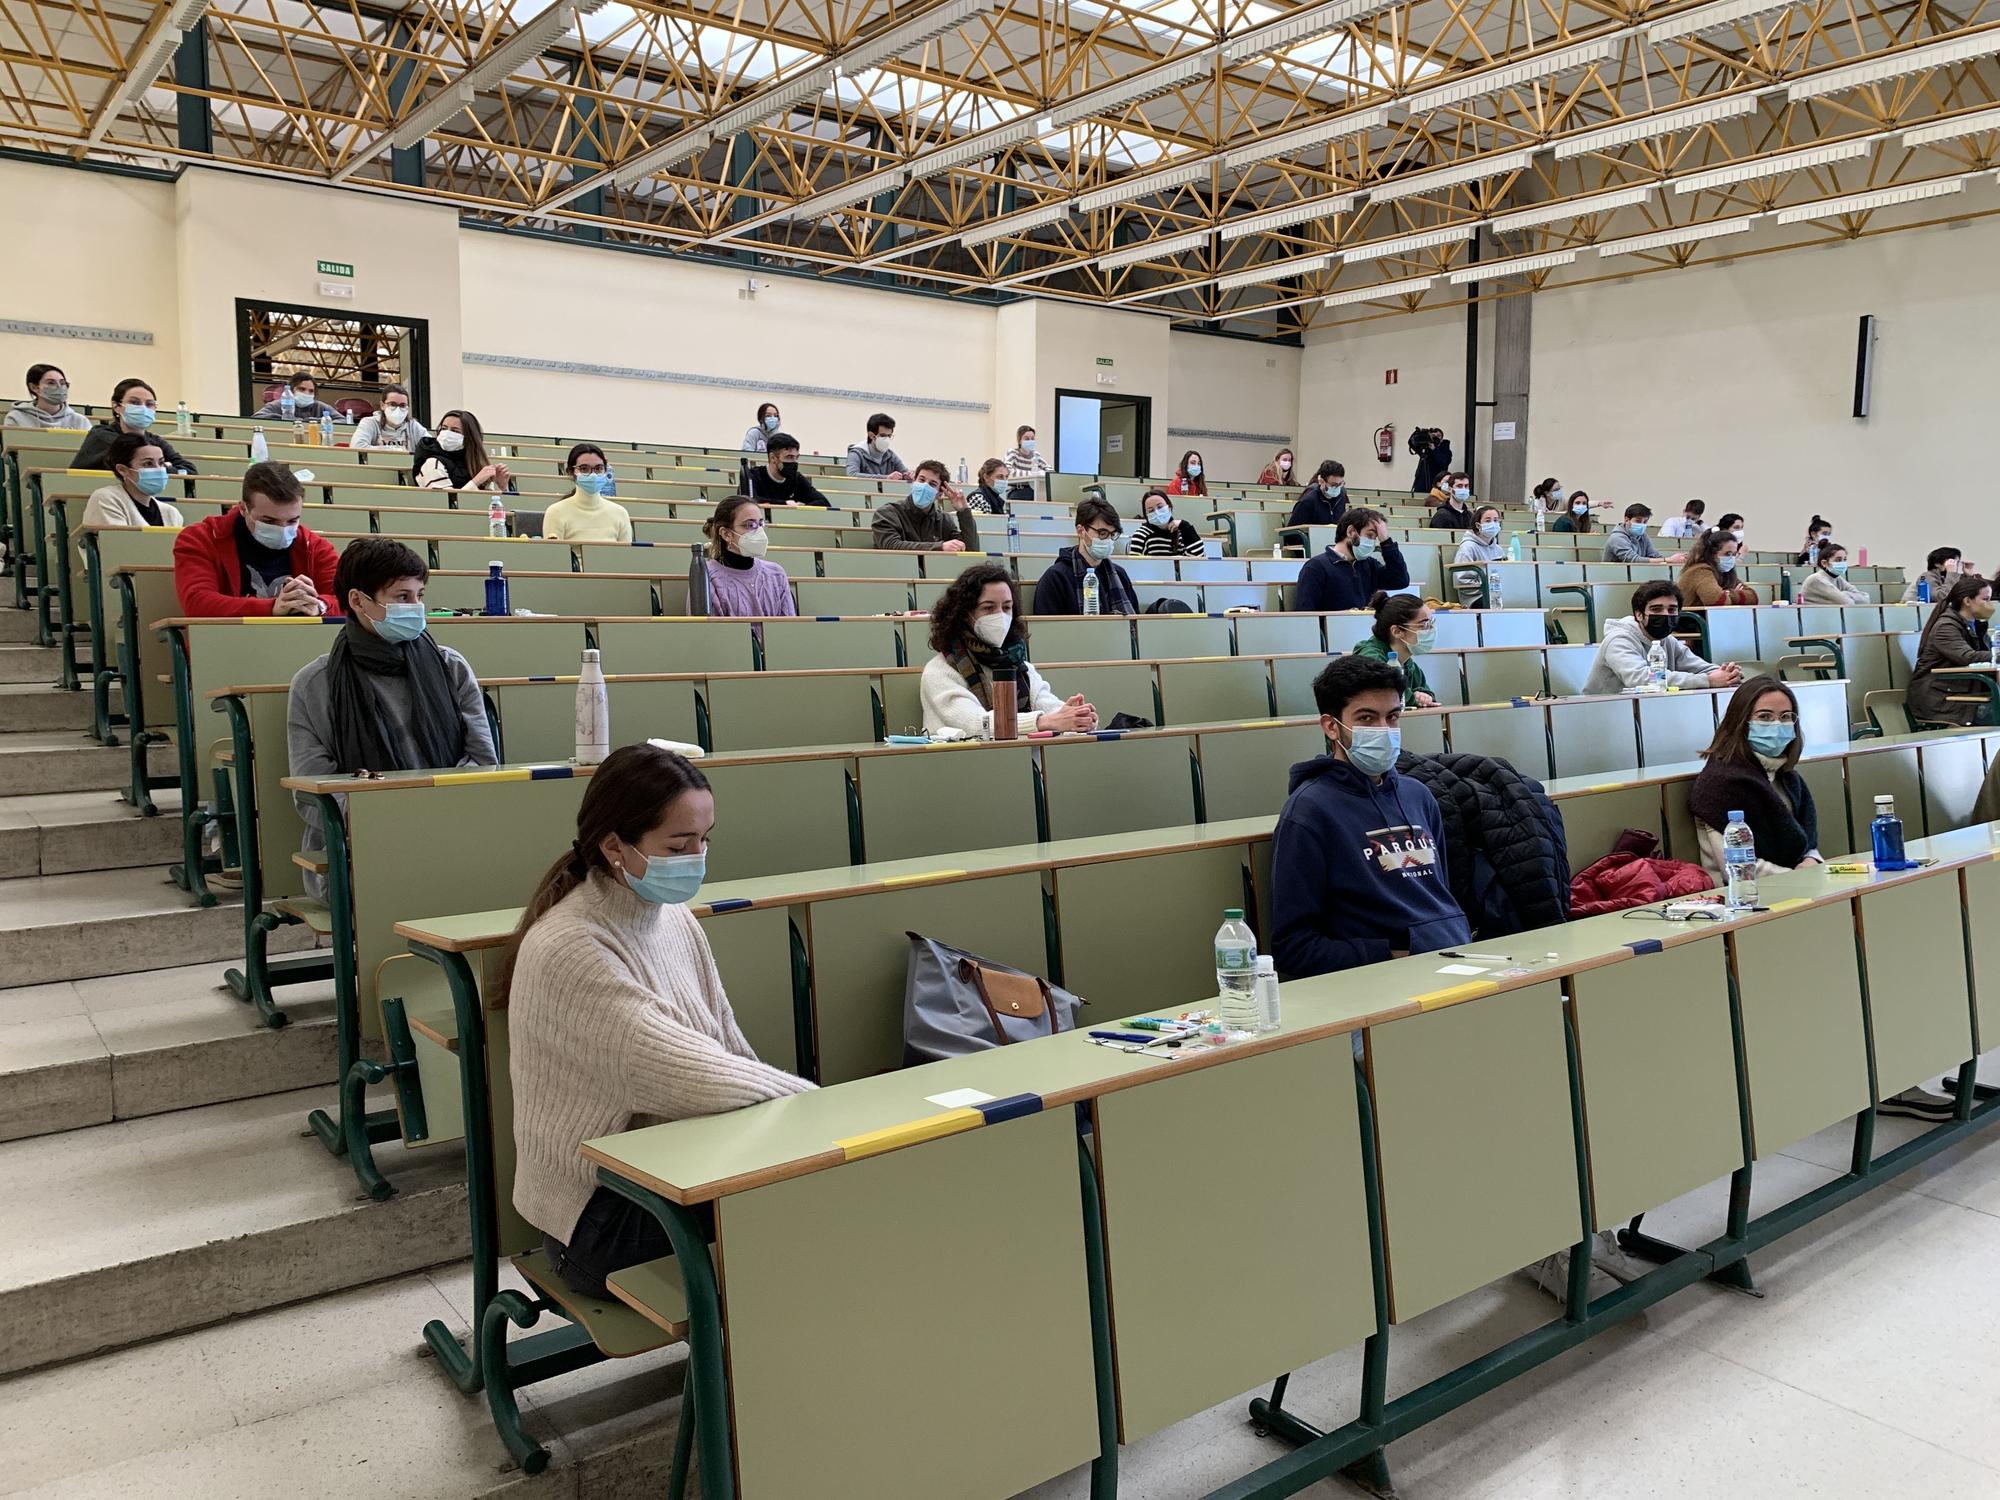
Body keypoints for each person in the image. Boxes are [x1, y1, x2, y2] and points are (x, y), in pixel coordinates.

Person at [503, 743, 814, 1298]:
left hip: (674, 1167)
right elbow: (702, 1077)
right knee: (805, 1221)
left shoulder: (671, 918)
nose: (697, 856)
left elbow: (730, 1049)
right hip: (599, 1217)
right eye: (679, 844)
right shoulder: (572, 947)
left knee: (813, 1197)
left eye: (705, 839)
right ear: (614, 846)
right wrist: (823, 1111)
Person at [1679, 677, 1968, 1131]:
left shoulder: (1784, 779)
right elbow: (1738, 865)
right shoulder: (1722, 785)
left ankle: (1901, 1071)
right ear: (1740, 723)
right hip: (1748, 911)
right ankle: (1883, 1082)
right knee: (1866, 958)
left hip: (1798, 896)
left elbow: (1806, 846)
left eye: (1786, 717)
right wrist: (1806, 876)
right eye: (1765, 718)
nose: (1778, 726)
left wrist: (1812, 867)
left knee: (1902, 940)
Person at [286, 538, 495, 894]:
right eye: (402, 597)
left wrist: (436, 817)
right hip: (361, 848)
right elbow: (313, 793)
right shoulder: (314, 684)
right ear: (358, 601)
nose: (416, 607)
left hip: (453, 832)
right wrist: (397, 819)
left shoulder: (450, 667)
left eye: (419, 595)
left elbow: (483, 761)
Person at [1271, 655, 1469, 977]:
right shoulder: (1308, 812)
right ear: (1331, 726)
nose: (1384, 730)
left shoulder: (1419, 796)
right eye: (1366, 718)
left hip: (1452, 965)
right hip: (1380, 983)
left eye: (1392, 717)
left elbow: (1440, 900)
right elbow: (1294, 949)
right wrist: (1394, 957)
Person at [922, 565, 1100, 737]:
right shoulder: (939, 671)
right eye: (988, 608)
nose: (1000, 615)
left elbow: (1049, 706)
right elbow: (975, 723)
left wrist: (1077, 717)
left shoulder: (1020, 666)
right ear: (964, 614)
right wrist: (1044, 722)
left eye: (1006, 607)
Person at [173, 461, 338, 618]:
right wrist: (272, 608)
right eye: (268, 521)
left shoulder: (315, 547)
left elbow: (347, 600)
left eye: (292, 520)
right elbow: (198, 603)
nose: (282, 528)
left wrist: (319, 606)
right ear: (243, 508)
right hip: (226, 640)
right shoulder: (200, 539)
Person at [1582, 581, 1742, 694]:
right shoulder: (1618, 640)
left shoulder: (1668, 640)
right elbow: (1640, 678)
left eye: (1672, 610)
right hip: (1606, 711)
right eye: (1656, 609)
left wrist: (1727, 674)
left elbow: (1700, 667)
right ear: (1639, 614)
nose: (1666, 614)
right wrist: (1707, 680)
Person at [1908, 575, 1995, 728]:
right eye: (1985, 599)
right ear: (1967, 601)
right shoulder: (1946, 626)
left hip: (1964, 694)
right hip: (1942, 700)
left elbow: (1989, 655)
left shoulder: (1977, 625)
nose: (1990, 604)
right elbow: (1968, 657)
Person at [1033, 497, 1138, 614]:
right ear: (1081, 531)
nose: (1108, 540)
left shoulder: (1119, 575)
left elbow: (1135, 623)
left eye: (1112, 534)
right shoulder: (1056, 577)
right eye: (1102, 533)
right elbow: (1046, 629)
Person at [72, 379, 197, 473]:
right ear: (117, 406)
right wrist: (166, 466)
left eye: (149, 404)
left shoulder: (155, 441)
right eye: (134, 403)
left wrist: (166, 468)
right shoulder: (101, 434)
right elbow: (135, 456)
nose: (143, 408)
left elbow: (189, 470)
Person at [1295, 508, 1408, 612]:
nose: (1373, 543)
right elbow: (1305, 614)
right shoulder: (1316, 567)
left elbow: (1400, 580)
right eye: (1369, 535)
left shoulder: (1369, 564)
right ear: (1351, 532)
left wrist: (1386, 541)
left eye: (1376, 538)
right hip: (1333, 630)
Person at [701, 495, 795, 619]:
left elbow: (790, 629)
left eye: (760, 524)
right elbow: (709, 634)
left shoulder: (776, 574)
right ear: (726, 534)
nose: (759, 531)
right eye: (750, 525)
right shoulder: (707, 577)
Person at [81, 432, 186, 529]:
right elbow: (118, 545)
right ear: (123, 470)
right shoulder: (106, 499)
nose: (159, 469)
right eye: (148, 464)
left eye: (161, 463)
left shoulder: (172, 514)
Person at [1351, 592, 1438, 708]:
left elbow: (1425, 691)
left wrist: (1425, 696)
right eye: (1424, 625)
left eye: (1431, 623)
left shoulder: (1408, 663)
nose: (1431, 629)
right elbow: (1389, 694)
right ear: (1397, 631)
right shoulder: (1370, 657)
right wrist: (1414, 698)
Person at [872, 460, 979, 551]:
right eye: (921, 480)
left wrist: (964, 512)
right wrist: (939, 547)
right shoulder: (887, 513)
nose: (924, 486)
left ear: (940, 493)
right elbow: (890, 545)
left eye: (932, 484)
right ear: (914, 482)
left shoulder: (943, 520)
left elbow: (970, 550)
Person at [541, 443, 633, 543]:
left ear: (605, 471)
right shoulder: (556, 512)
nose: (593, 475)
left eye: (598, 468)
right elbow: (555, 556)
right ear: (571, 473)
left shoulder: (620, 513)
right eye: (584, 469)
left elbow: (626, 556)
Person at [413, 409, 509, 492]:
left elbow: (492, 504)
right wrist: (476, 481)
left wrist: (502, 487)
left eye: (455, 431)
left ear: (469, 438)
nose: (447, 434)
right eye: (444, 428)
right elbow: (449, 505)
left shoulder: (475, 464)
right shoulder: (432, 463)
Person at [745, 432, 831, 509]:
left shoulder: (797, 478)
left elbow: (823, 502)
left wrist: (802, 507)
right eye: (789, 457)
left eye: (796, 457)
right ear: (773, 458)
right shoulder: (753, 475)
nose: (794, 462)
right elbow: (748, 501)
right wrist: (785, 504)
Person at [1678, 530, 1760, 606]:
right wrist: (1735, 594)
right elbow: (1717, 602)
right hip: (1694, 620)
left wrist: (1729, 594)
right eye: (1728, 554)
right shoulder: (1699, 570)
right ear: (1712, 554)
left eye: (1734, 554)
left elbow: (1753, 598)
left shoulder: (1725, 573)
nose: (1731, 558)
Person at [1451, 503, 1505, 606]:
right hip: (1475, 597)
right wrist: (1486, 585)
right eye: (1488, 521)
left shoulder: (1498, 549)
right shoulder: (1468, 547)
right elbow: (1461, 579)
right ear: (1478, 525)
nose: (1493, 523)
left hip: (1498, 594)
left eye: (1496, 520)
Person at [1129, 487, 1206, 558]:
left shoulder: (1181, 531)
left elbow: (1198, 557)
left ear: (1169, 507)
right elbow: (1135, 565)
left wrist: (1185, 525)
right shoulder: (1141, 535)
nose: (1157, 512)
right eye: (1151, 510)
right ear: (1146, 515)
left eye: (1160, 507)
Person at [7, 363, 87, 429]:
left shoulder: (80, 421)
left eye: (62, 383)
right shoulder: (16, 418)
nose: (59, 387)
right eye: (51, 383)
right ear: (34, 387)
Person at [349, 384, 428, 451]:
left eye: (402, 405)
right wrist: (393, 450)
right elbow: (356, 446)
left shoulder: (413, 426)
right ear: (382, 405)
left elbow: (432, 448)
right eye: (392, 404)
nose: (398, 409)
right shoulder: (369, 423)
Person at [1602, 503, 1684, 564]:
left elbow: (1654, 555)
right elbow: (1633, 560)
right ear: (1627, 520)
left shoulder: (1643, 535)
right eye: (1638, 521)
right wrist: (1668, 560)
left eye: (1645, 522)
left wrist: (1676, 560)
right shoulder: (1617, 538)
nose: (1642, 524)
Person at [1797, 538, 1868, 605]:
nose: (1843, 563)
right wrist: (1847, 595)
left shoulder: (1837, 578)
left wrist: (1844, 594)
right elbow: (1847, 603)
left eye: (1845, 559)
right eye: (1838, 560)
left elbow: (1866, 599)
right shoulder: (1817, 579)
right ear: (1824, 563)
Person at [846, 412, 911, 479]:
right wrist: (886, 478)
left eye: (889, 436)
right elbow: (852, 475)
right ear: (871, 435)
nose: (886, 439)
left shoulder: (890, 455)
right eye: (883, 435)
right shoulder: (856, 453)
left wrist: (908, 476)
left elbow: (904, 472)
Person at [253, 372, 337, 423]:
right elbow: (257, 417)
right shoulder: (276, 405)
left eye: (311, 391)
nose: (306, 393)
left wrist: (314, 421)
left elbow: (343, 421)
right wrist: (286, 419)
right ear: (292, 390)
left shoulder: (320, 407)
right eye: (302, 389)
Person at [1287, 460, 1348, 529]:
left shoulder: (1341, 498)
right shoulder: (1307, 502)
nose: (1337, 488)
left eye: (1340, 484)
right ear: (1321, 481)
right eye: (1333, 485)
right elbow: (1291, 532)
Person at [1002, 425, 1049, 497]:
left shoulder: (1036, 455)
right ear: (1020, 441)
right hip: (1015, 490)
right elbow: (1007, 472)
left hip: (1033, 489)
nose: (1030, 441)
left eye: (1032, 439)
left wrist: (1040, 473)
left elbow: (1050, 472)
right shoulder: (1013, 453)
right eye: (1027, 439)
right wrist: (1034, 474)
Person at [1409, 427, 1453, 495]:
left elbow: (1444, 463)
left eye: (1438, 436)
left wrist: (1435, 450)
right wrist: (1419, 433)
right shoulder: (1426, 449)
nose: (1435, 438)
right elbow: (1412, 443)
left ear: (1441, 439)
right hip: (1421, 483)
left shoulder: (1446, 450)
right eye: (1433, 436)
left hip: (1437, 483)